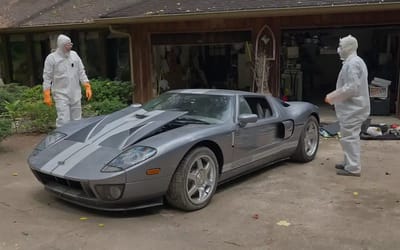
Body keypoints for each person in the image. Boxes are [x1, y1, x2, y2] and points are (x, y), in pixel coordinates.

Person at [325, 35, 370, 177]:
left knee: (350, 138)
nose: (339, 49)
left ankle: (353, 167)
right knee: (347, 137)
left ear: (349, 47)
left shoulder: (353, 63)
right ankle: (348, 163)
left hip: (354, 109)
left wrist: (332, 97)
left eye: (341, 46)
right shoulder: (352, 62)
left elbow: (352, 88)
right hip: (352, 108)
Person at [42, 34, 92, 127]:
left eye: (70, 44)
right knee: (63, 120)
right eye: (67, 45)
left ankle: (76, 140)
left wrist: (87, 85)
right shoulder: (51, 58)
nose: (69, 47)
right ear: (61, 46)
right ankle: (62, 140)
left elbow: (81, 71)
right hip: (61, 94)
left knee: (77, 120)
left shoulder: (74, 55)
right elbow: (47, 77)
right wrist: (46, 93)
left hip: (75, 93)